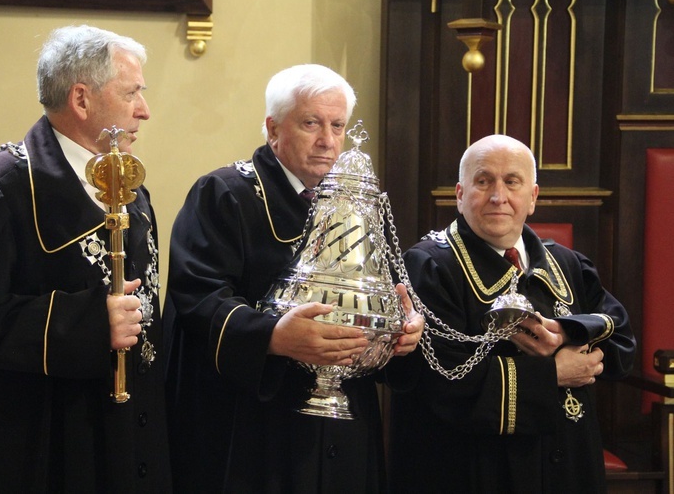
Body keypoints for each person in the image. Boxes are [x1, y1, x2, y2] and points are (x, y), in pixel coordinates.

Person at [0, 25, 171, 492]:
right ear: (81, 99)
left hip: (127, 440)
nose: (145, 110)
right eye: (132, 93)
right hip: (40, 448)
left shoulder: (131, 187)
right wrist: (90, 324)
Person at [164, 64, 423, 492]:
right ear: (273, 128)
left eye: (338, 125)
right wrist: (272, 336)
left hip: (345, 426)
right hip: (255, 429)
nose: (328, 140)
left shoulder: (358, 204)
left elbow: (384, 297)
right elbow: (196, 297)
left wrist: (400, 334)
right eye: (311, 123)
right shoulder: (225, 193)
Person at [387, 134, 636, 493]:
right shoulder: (428, 266)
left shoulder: (567, 263)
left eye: (512, 182)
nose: (497, 196)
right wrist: (553, 373)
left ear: (533, 197)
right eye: (483, 180)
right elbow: (443, 383)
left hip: (568, 468)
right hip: (469, 470)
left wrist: (567, 333)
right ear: (460, 194)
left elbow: (622, 339)